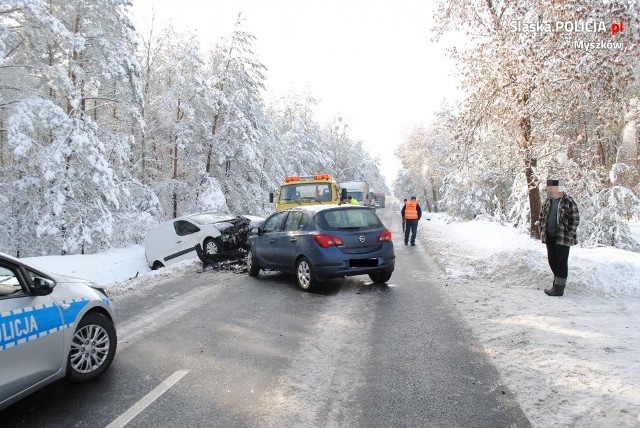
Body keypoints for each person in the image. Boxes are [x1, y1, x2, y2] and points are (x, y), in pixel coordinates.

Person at [538, 178, 580, 297]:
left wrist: (569, 233)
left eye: (551, 188)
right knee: (552, 261)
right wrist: (541, 228)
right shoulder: (548, 201)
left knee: (561, 262)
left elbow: (575, 218)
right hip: (549, 236)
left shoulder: (568, 201)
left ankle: (559, 289)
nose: (549, 191)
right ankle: (556, 284)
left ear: (558, 189)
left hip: (563, 237)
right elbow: (542, 216)